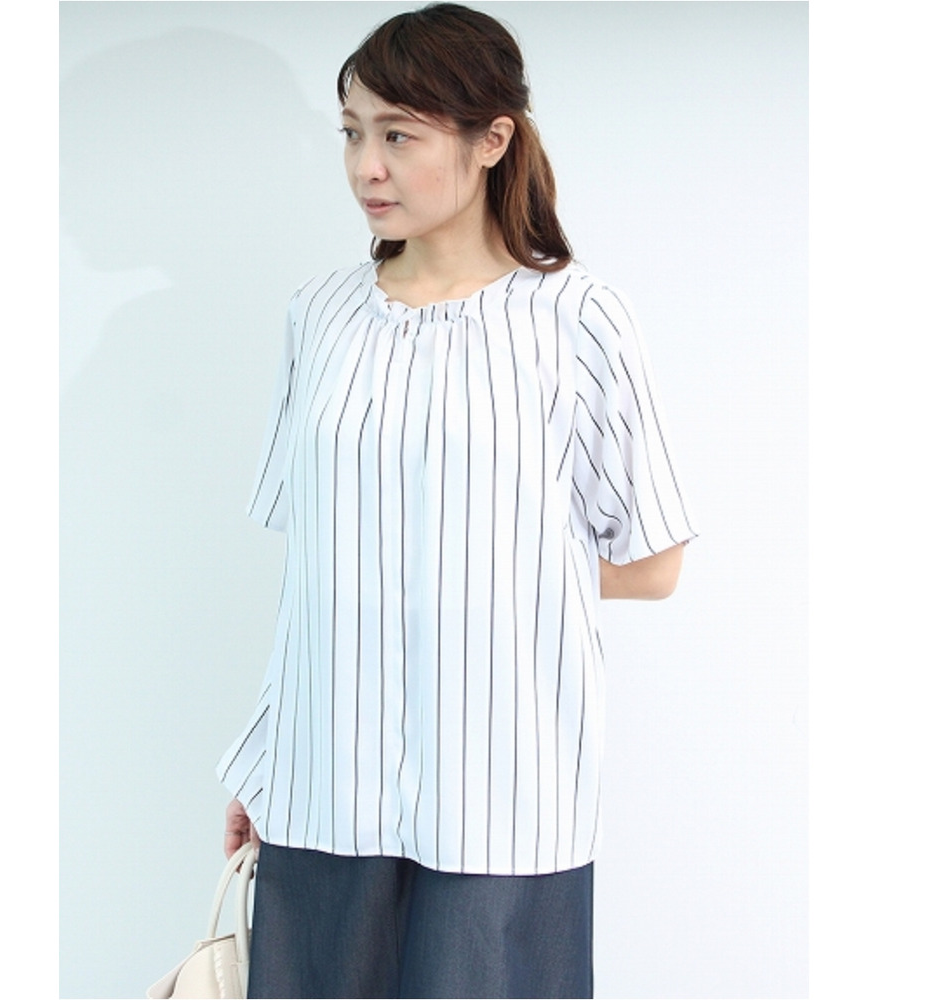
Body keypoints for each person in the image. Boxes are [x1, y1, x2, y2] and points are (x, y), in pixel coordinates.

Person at [217, 4, 696, 997]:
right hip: (322, 788)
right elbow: (315, 570)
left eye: (399, 135)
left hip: (502, 796)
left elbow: (653, 566)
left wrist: (491, 557)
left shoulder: (578, 319)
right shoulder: (320, 316)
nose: (367, 168)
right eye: (352, 133)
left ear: (492, 140)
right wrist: (264, 760)